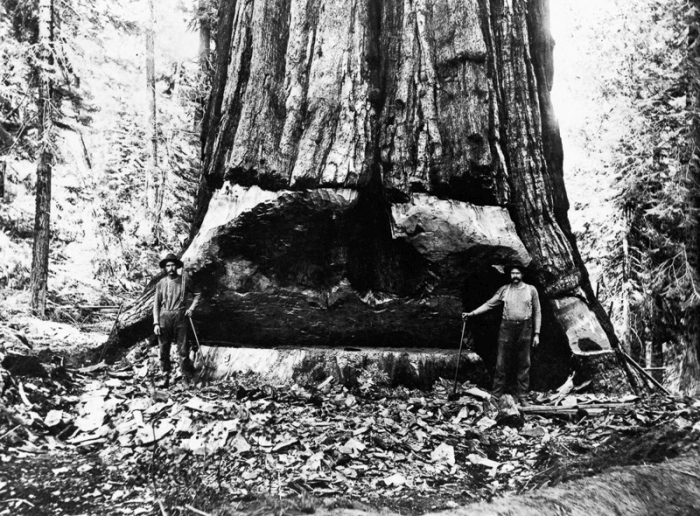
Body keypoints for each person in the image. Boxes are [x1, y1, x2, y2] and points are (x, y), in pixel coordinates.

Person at [462, 263, 540, 406]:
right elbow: (489, 304)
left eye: (517, 273)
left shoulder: (531, 290)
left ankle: (522, 396)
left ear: (522, 274)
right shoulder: (505, 289)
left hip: (525, 328)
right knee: (501, 363)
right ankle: (496, 396)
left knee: (524, 363)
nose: (515, 276)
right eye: (512, 273)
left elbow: (537, 312)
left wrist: (537, 333)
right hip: (507, 328)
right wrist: (471, 314)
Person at [153, 253, 201, 388]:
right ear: (165, 268)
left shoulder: (185, 281)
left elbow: (197, 294)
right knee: (163, 349)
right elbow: (156, 304)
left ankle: (185, 377)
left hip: (180, 316)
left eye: (173, 265)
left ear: (177, 266)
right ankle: (165, 376)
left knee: (183, 348)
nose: (170, 268)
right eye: (168, 265)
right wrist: (156, 322)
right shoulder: (161, 283)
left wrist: (191, 308)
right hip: (164, 317)